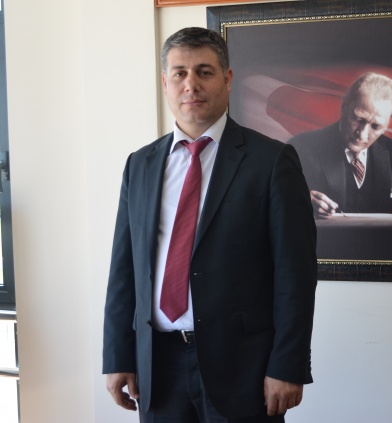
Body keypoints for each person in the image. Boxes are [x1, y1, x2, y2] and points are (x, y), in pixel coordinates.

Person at [102, 27, 317, 423]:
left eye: (204, 72)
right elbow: (124, 269)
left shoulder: (271, 161)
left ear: (227, 79)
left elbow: (296, 273)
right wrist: (117, 355)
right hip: (157, 368)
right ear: (165, 83)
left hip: (244, 368)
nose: (191, 85)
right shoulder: (140, 164)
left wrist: (288, 364)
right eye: (180, 73)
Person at [288, 73, 392, 217]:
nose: (362, 135)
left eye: (376, 126)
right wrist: (300, 200)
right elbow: (275, 194)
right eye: (358, 119)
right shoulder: (300, 147)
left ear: (388, 123)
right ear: (344, 106)